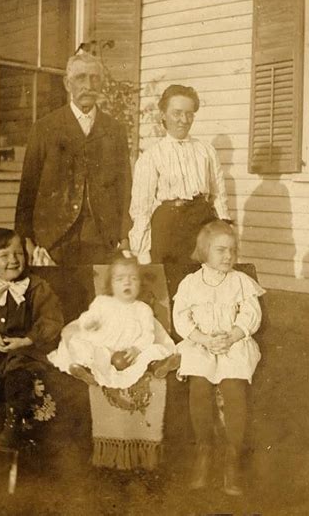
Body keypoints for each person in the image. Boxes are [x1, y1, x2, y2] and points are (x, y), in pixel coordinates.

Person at [173, 220, 264, 495]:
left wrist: (233, 335)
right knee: (199, 384)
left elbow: (252, 315)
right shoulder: (190, 283)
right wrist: (203, 339)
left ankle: (232, 457)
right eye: (221, 250)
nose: (228, 256)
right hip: (201, 343)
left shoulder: (240, 282)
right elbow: (181, 318)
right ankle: (204, 449)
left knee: (233, 386)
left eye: (233, 251)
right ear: (204, 251)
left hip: (232, 343)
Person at [15, 52, 132, 266]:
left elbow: (124, 187)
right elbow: (28, 189)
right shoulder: (45, 128)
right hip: (54, 239)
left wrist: (124, 235)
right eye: (81, 78)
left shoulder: (115, 130)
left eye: (95, 78)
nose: (88, 84)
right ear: (67, 84)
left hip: (101, 238)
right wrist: (26, 240)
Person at [0, 228, 64, 452]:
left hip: (26, 349)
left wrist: (26, 340)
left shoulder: (37, 287)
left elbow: (51, 320)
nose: (13, 261)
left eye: (18, 254)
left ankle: (13, 428)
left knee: (18, 374)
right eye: (4, 256)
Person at [129, 84, 231, 264]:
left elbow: (219, 196)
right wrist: (142, 252)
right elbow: (141, 209)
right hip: (169, 227)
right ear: (163, 114)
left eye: (189, 114)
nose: (183, 120)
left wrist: (224, 232)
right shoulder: (151, 156)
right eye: (177, 113)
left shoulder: (206, 151)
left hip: (203, 224)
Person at [48, 256, 179, 389]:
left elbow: (148, 334)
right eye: (120, 279)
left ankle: (159, 366)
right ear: (111, 284)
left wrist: (137, 348)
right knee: (81, 346)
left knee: (152, 351)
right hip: (105, 348)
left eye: (133, 279)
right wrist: (90, 323)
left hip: (131, 353)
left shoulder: (143, 309)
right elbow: (89, 317)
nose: (127, 283)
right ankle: (85, 370)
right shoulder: (103, 302)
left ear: (140, 284)